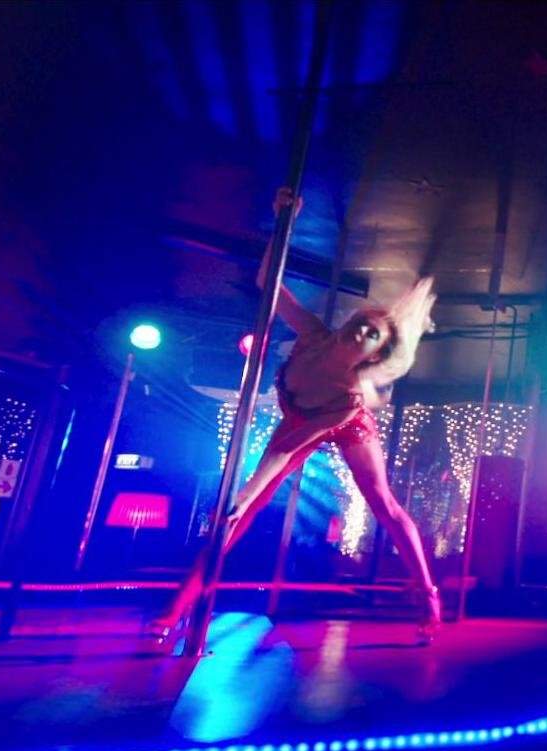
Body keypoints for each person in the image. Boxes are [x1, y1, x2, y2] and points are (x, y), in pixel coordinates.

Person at [147, 187, 443, 645]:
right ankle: (176, 608)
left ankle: (427, 595)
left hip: (334, 424)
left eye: (371, 335)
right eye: (361, 323)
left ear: (373, 354)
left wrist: (246, 490)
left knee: (382, 503)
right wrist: (284, 219)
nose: (361, 331)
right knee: (236, 516)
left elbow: (288, 447)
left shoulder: (348, 399)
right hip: (297, 418)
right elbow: (269, 281)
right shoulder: (312, 335)